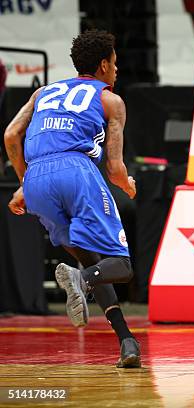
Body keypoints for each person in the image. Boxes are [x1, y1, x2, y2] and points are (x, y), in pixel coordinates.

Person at [3, 30, 141, 368]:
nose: (117, 71)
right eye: (116, 64)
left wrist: (25, 182)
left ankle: (127, 342)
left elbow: (10, 135)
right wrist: (127, 184)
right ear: (105, 65)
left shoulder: (42, 92)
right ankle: (80, 281)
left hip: (36, 178)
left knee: (92, 263)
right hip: (75, 172)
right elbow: (114, 167)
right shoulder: (110, 100)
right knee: (120, 267)